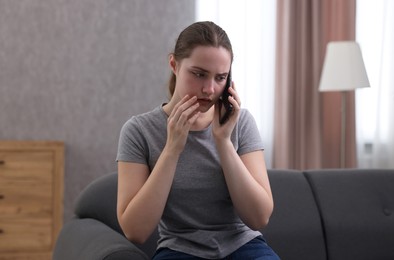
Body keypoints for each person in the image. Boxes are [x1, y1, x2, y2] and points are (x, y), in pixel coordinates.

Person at [116, 21, 279, 260]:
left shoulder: (240, 123)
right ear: (174, 64)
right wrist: (172, 149)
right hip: (179, 250)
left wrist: (223, 142)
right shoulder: (139, 130)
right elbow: (135, 231)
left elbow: (259, 218)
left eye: (220, 77)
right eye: (199, 74)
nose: (210, 89)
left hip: (244, 247)